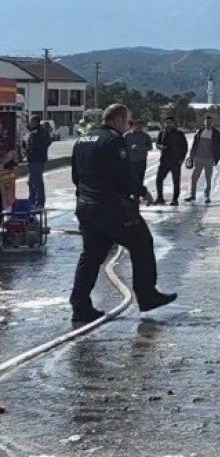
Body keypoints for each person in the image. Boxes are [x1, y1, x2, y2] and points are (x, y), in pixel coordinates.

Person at [69, 103, 177, 323]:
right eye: (127, 121)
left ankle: (79, 304)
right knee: (142, 243)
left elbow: (75, 176)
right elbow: (123, 174)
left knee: (91, 255)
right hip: (110, 207)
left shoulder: (83, 139)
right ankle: (147, 295)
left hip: (86, 205)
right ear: (118, 120)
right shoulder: (113, 140)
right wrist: (141, 192)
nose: (127, 125)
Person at [185, 115, 220, 205]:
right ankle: (192, 195)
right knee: (194, 177)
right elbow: (194, 144)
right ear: (204, 122)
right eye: (206, 122)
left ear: (212, 123)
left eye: (210, 122)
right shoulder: (199, 132)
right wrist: (191, 156)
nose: (208, 124)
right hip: (198, 158)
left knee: (208, 178)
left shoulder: (216, 134)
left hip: (209, 159)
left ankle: (207, 196)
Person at [155, 117, 188, 206]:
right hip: (164, 160)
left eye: (170, 123)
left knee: (176, 181)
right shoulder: (162, 133)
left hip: (176, 161)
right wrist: (160, 147)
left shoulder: (179, 134)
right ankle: (160, 197)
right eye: (167, 123)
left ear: (173, 124)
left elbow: (184, 147)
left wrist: (182, 159)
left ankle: (175, 199)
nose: (168, 124)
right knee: (159, 179)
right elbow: (157, 144)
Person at [24, 116, 51, 209]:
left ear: (35, 122)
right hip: (35, 160)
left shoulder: (38, 133)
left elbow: (35, 147)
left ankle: (38, 202)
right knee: (32, 182)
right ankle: (33, 201)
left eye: (31, 121)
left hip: (36, 160)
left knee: (37, 182)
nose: (29, 123)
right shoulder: (38, 132)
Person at [124, 119, 154, 203]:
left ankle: (137, 196)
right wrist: (130, 148)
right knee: (132, 179)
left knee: (139, 180)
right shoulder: (126, 136)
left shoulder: (145, 136)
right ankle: (140, 194)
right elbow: (122, 146)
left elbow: (150, 147)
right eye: (137, 126)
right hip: (130, 161)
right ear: (133, 126)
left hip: (141, 161)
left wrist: (141, 148)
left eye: (141, 127)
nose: (139, 128)